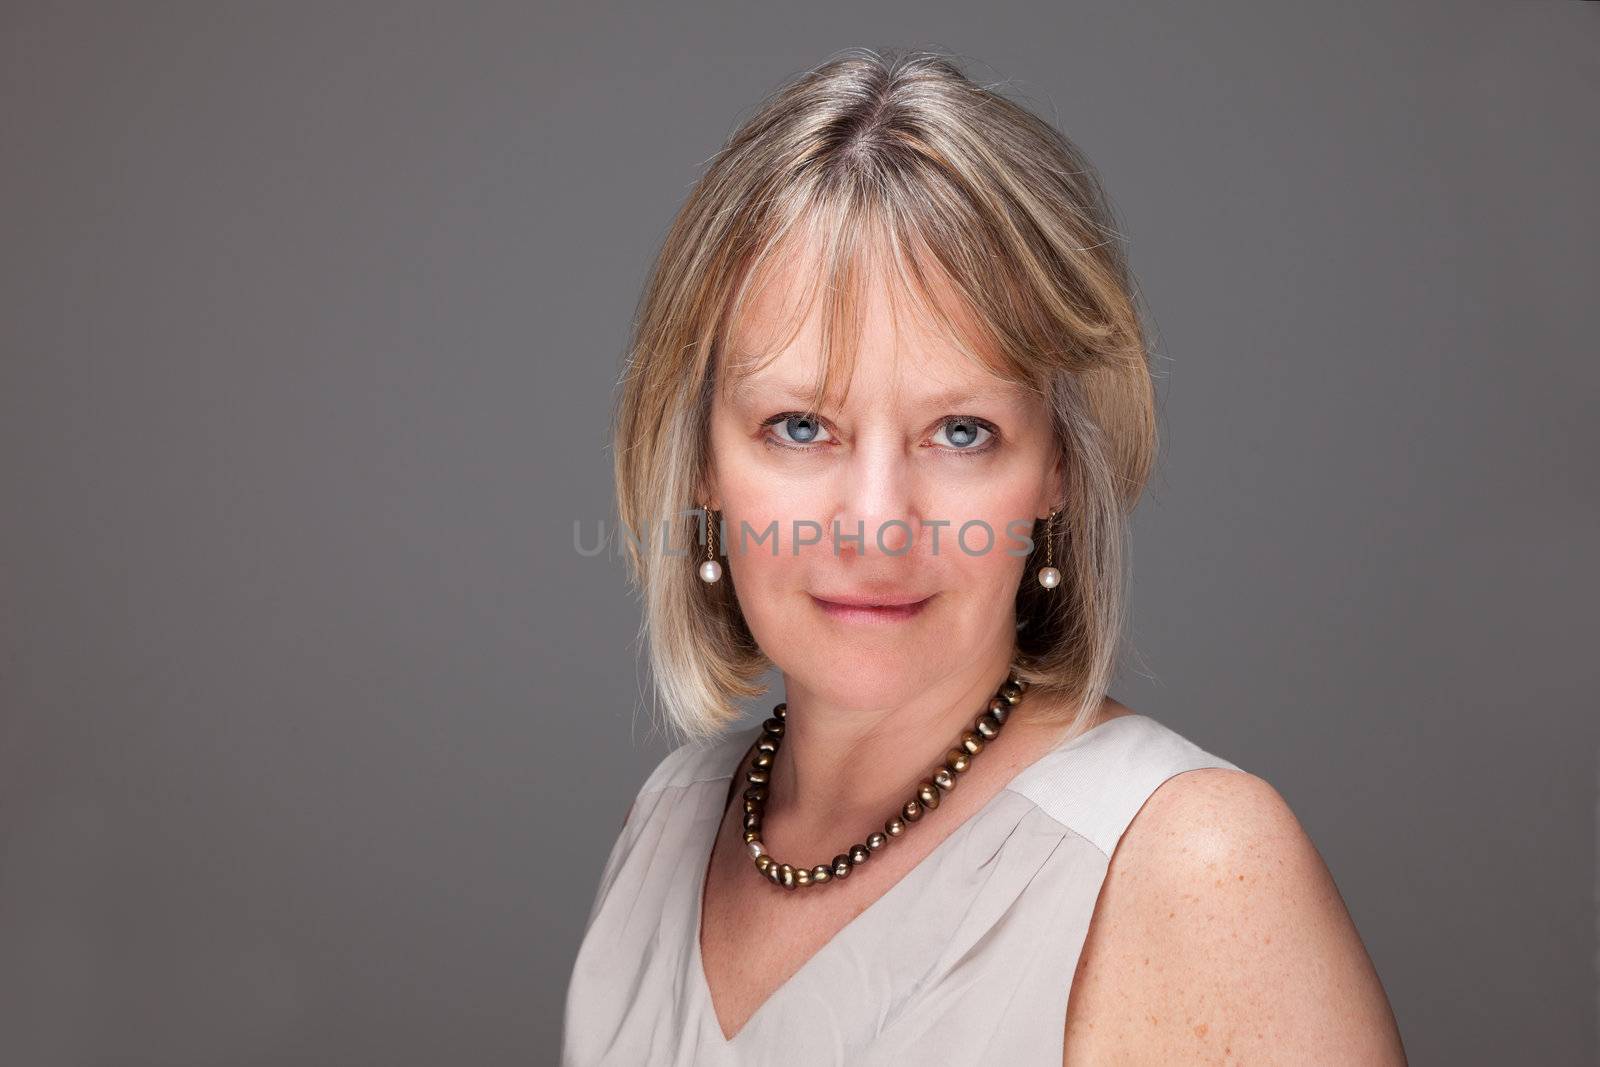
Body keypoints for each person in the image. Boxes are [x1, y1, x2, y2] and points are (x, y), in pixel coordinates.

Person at [562, 47, 1406, 1064]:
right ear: (699, 458)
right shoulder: (664, 828)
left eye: (959, 431)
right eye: (798, 426)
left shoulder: (1194, 867)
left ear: (1055, 468)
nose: (876, 524)